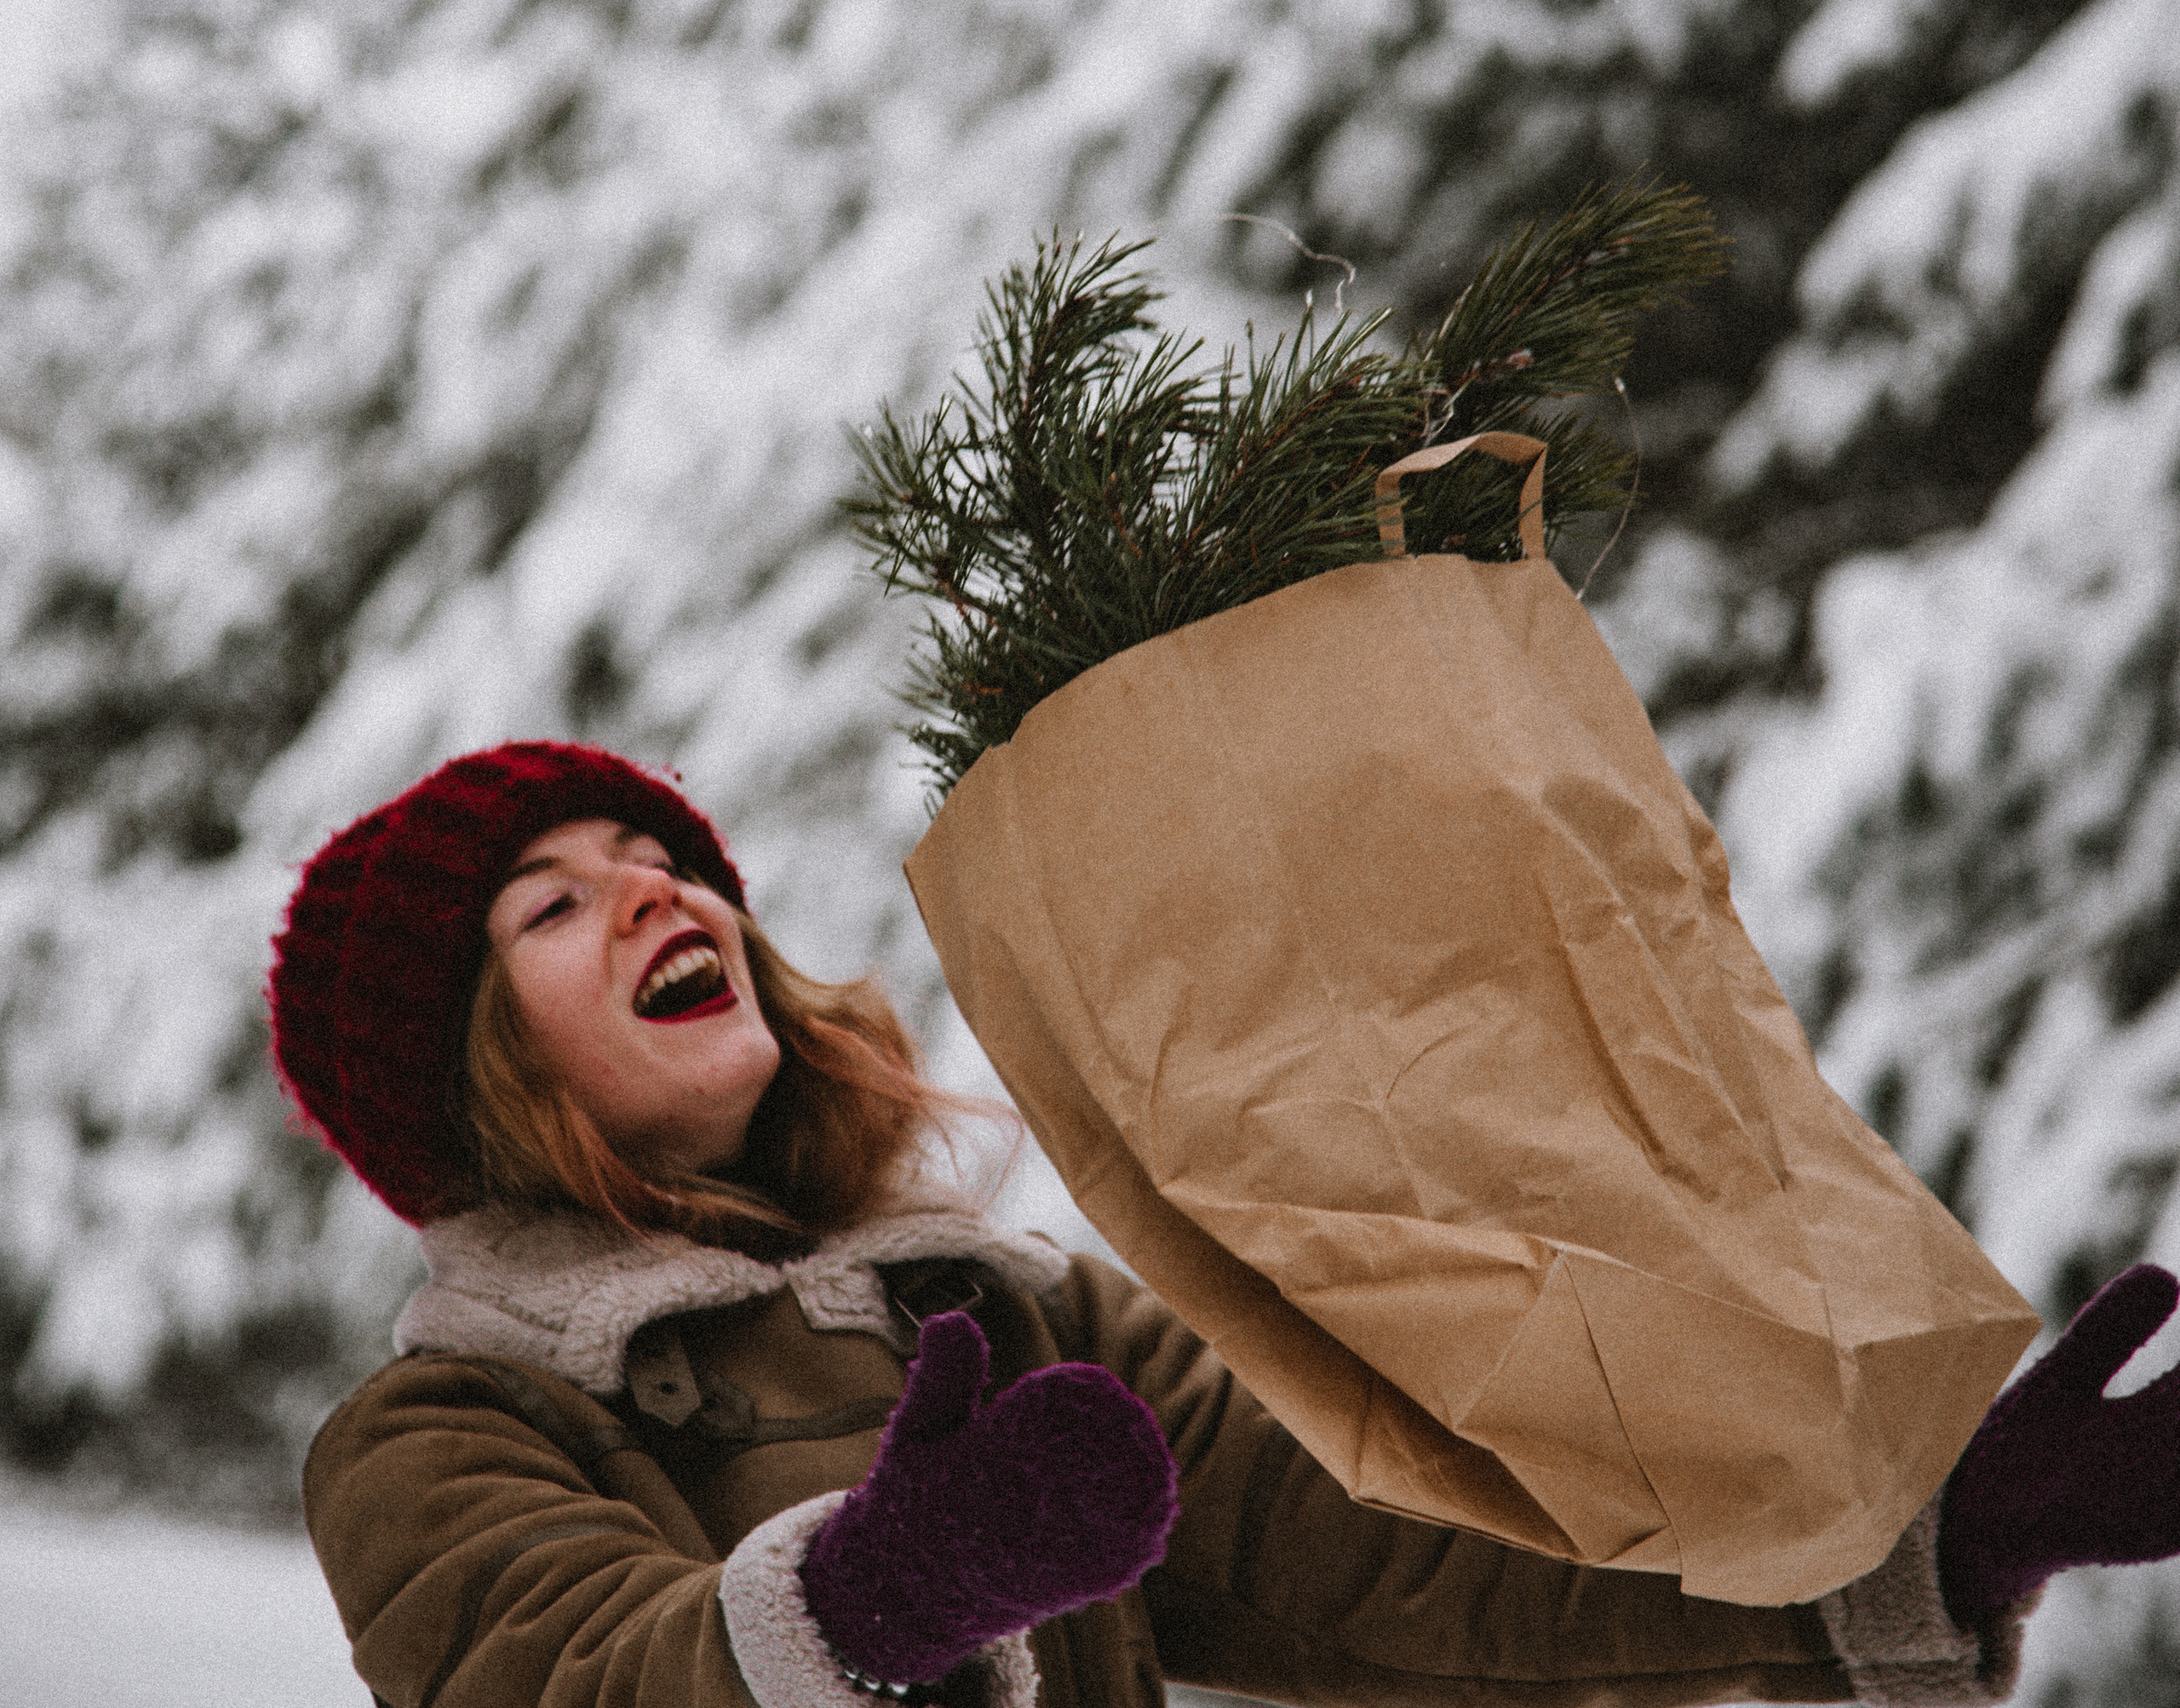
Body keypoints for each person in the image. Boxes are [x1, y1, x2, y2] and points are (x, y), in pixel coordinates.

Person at [269, 741, 2180, 1708]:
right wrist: (863, 1601)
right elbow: (586, 1675)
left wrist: (1911, 1539)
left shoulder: (1014, 1318)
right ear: (465, 1076)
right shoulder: (443, 1432)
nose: (653, 891)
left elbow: (1410, 1552)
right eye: (550, 904)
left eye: (665, 862)